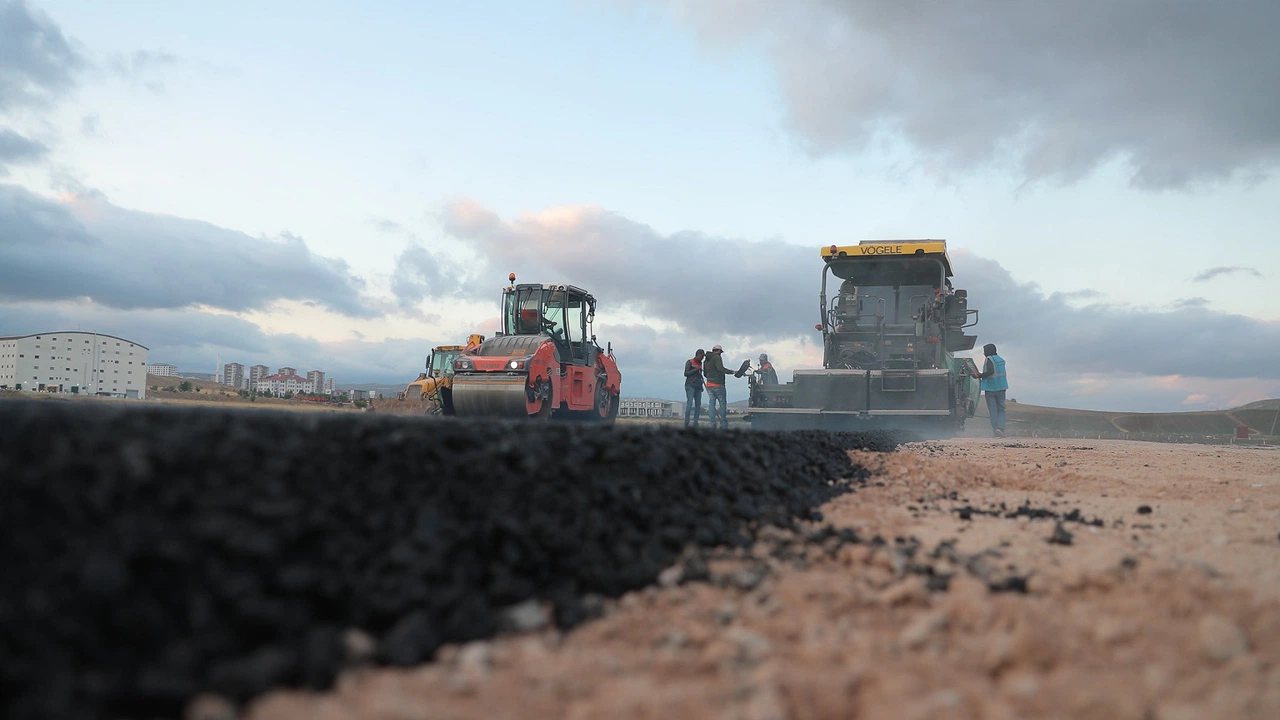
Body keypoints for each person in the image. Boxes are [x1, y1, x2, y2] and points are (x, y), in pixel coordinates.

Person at [702, 344, 740, 429]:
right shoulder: (717, 357)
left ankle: (713, 425)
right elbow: (721, 369)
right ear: (718, 351)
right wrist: (733, 372)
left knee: (711, 404)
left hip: (709, 385)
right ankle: (723, 425)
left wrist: (710, 378)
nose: (721, 354)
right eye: (721, 352)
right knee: (722, 403)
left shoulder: (706, 360)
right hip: (718, 385)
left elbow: (705, 374)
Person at [974, 343, 1008, 437]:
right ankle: (1000, 428)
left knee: (993, 410)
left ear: (988, 351)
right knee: (1001, 409)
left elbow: (990, 371)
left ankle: (996, 430)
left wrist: (979, 375)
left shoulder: (989, 359)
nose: (984, 353)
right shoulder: (1001, 360)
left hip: (990, 388)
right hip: (1001, 387)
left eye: (985, 351)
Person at [683, 349, 705, 427]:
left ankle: (696, 422)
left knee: (698, 405)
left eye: (703, 356)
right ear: (698, 355)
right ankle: (686, 422)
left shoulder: (700, 363)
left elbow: (699, 375)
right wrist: (695, 369)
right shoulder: (690, 362)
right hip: (690, 385)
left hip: (698, 387)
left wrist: (702, 384)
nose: (702, 358)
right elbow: (686, 373)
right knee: (689, 403)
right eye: (702, 356)